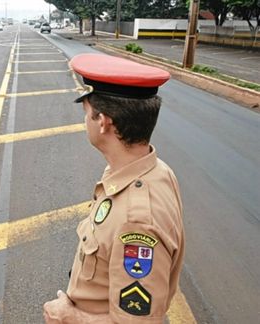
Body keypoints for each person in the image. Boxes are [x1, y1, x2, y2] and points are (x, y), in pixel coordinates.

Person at [43, 54, 185, 324]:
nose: (85, 120)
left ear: (103, 122)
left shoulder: (137, 219)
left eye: (86, 112)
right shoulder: (154, 170)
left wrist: (69, 317)